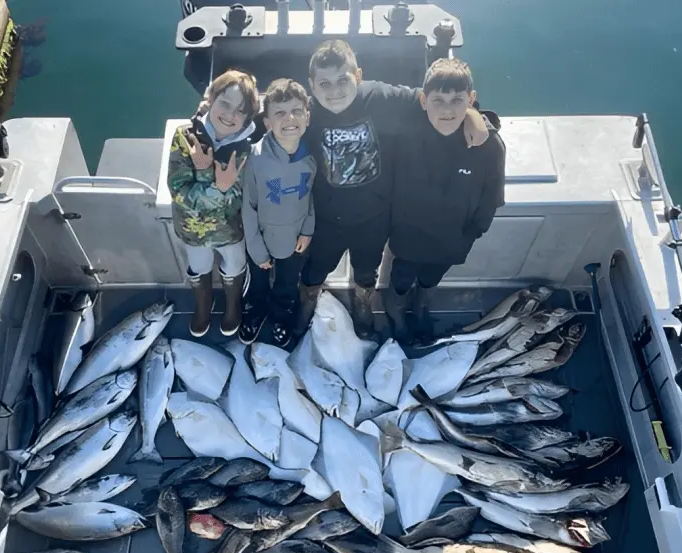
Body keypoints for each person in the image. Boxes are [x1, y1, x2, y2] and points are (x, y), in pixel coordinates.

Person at [297, 39, 491, 339]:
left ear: (358, 76)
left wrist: (475, 115)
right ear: (311, 85)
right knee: (315, 269)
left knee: (366, 271)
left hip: (375, 219)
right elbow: (268, 113)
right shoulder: (305, 113)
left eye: (343, 80)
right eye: (324, 83)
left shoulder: (381, 97)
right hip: (325, 219)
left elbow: (433, 98)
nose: (334, 91)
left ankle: (362, 306)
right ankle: (306, 303)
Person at [385, 58, 506, 342]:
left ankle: (421, 308)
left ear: (471, 100)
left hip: (453, 239)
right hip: (408, 238)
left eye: (457, 100)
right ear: (423, 100)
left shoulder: (489, 146)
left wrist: (474, 232)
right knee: (400, 280)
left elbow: (491, 197)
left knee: (431, 279)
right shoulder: (405, 133)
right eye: (437, 100)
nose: (448, 109)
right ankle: (397, 317)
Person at [167, 69, 261, 337]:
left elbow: (240, 193)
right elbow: (178, 190)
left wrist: (213, 185)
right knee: (199, 267)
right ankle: (203, 304)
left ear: (247, 118)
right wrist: (217, 183)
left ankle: (233, 306)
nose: (230, 115)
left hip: (230, 230)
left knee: (234, 266)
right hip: (191, 230)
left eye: (240, 111)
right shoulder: (185, 137)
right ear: (211, 98)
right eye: (225, 104)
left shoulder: (245, 149)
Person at [238, 78, 316, 347]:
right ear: (267, 122)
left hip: (295, 239)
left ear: (307, 116)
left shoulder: (311, 157)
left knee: (287, 284)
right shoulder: (256, 160)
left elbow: (310, 195)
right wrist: (256, 249)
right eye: (280, 113)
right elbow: (248, 207)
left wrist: (308, 229)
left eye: (296, 111)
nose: (289, 118)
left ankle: (281, 316)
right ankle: (255, 312)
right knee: (258, 284)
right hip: (261, 239)